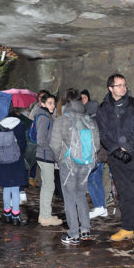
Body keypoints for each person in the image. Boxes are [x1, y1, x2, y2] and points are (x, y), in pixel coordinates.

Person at [96, 73, 134, 245]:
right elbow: (102, 133)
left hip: (133, 154)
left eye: (124, 84)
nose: (123, 88)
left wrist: (127, 147)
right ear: (110, 88)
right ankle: (127, 227)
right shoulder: (103, 108)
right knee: (123, 193)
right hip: (115, 156)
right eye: (119, 85)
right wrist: (115, 150)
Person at [50, 88, 101, 244]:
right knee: (81, 196)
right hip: (85, 165)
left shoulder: (61, 120)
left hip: (69, 165)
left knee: (70, 199)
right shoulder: (89, 120)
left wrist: (60, 160)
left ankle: (73, 234)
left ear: (65, 102)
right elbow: (97, 145)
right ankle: (85, 230)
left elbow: (54, 145)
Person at [35, 92, 63, 226]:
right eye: (50, 103)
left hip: (45, 155)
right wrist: (52, 149)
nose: (52, 106)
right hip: (45, 155)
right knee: (48, 186)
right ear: (43, 104)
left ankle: (45, 214)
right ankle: (45, 216)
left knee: (48, 185)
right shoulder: (44, 117)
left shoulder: (47, 116)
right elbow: (41, 140)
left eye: (53, 103)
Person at [0, 115, 28, 225]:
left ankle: (7, 214)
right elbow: (23, 144)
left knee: (6, 188)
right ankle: (15, 215)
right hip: (16, 161)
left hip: (3, 161)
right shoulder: (19, 125)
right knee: (15, 189)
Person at [81, 89, 108, 219]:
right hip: (103, 156)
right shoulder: (103, 120)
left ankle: (98, 207)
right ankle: (103, 208)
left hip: (94, 156)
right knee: (98, 181)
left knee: (90, 182)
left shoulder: (90, 122)